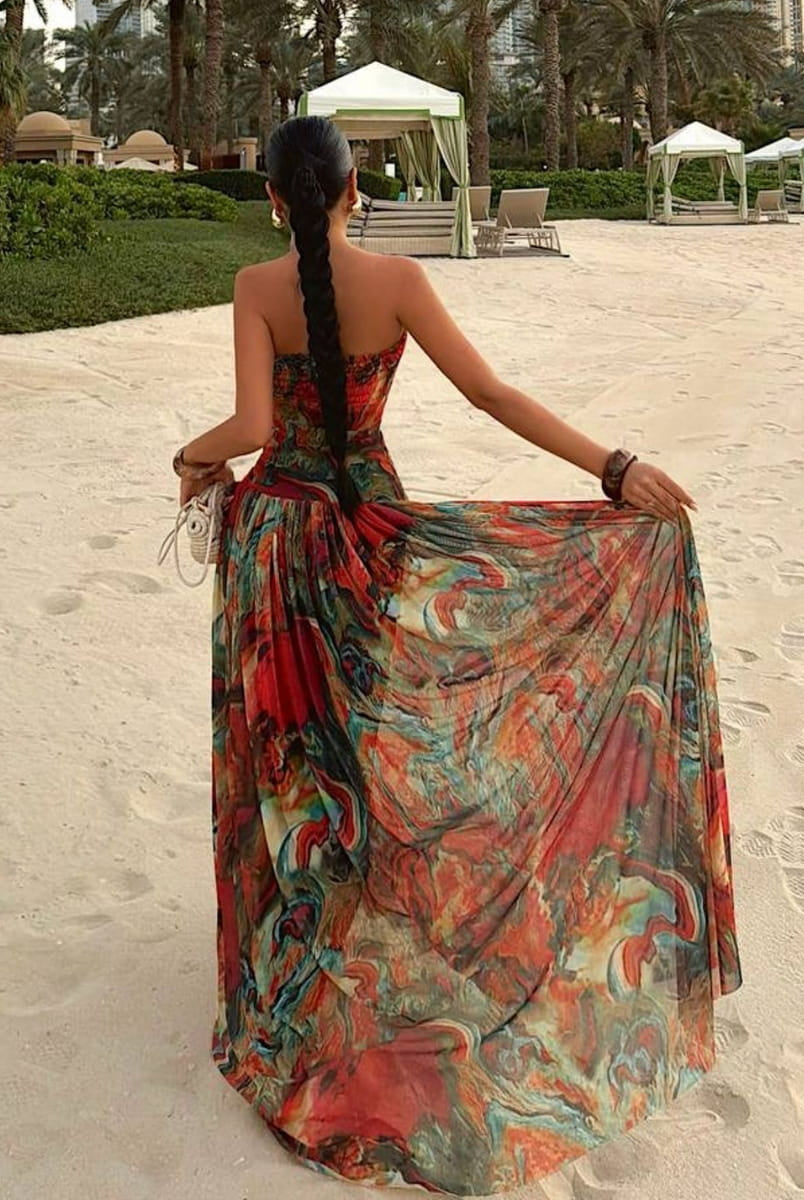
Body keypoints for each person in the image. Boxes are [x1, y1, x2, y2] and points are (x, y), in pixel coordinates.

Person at [171, 116, 742, 1195]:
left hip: (278, 540)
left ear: (274, 200)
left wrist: (187, 456)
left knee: (285, 754)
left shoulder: (254, 286)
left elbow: (250, 426)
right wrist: (612, 466)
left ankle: (300, 949)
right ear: (356, 192)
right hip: (371, 532)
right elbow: (491, 395)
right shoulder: (398, 280)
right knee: (366, 733)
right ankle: (366, 920)